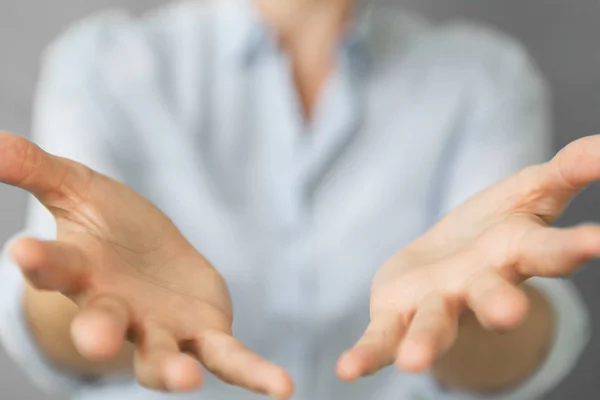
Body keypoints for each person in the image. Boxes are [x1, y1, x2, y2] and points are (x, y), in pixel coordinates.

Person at [0, 0, 594, 399]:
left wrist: (462, 319)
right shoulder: (104, 63)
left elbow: (516, 344)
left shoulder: (484, 77)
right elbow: (58, 327)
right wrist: (86, 299)